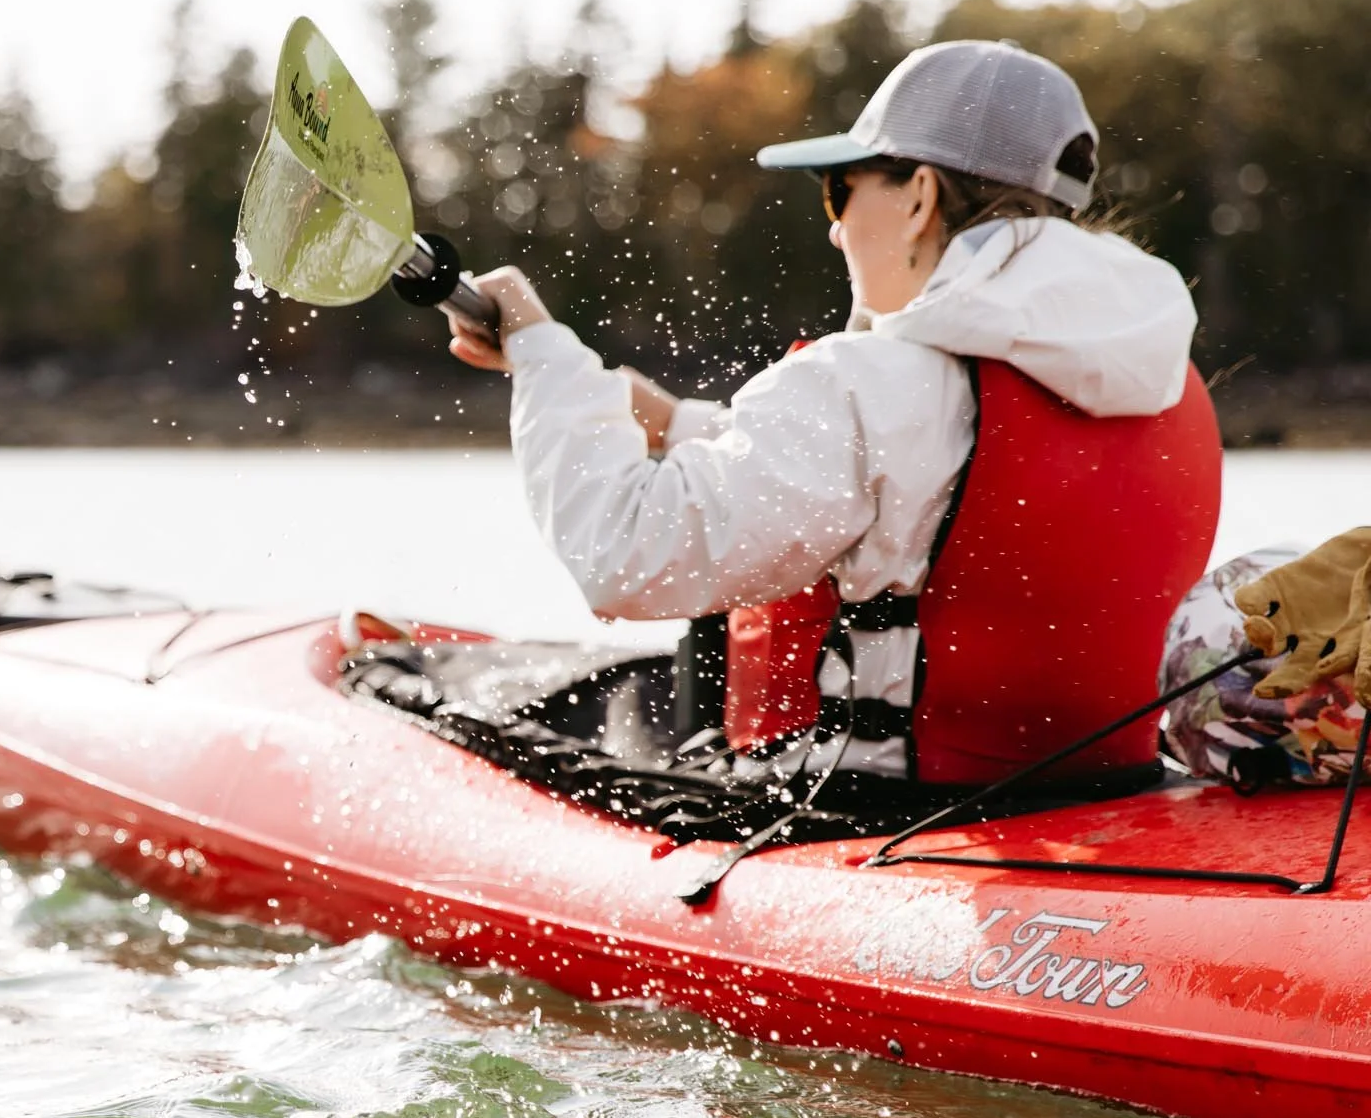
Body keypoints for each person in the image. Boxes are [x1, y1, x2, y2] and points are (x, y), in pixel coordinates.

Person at [447, 40, 1222, 793]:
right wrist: (678, 422)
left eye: (839, 189)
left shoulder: (868, 382)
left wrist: (545, 357)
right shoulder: (1165, 376)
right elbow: (919, 484)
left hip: (877, 808)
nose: (833, 226)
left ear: (918, 196)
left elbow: (625, 561)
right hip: (1100, 789)